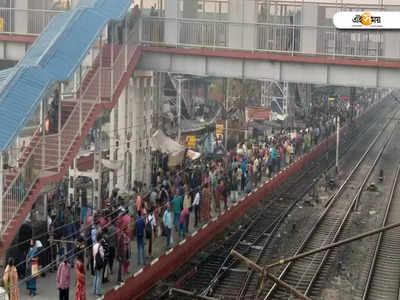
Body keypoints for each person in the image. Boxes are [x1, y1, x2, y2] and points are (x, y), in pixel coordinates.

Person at [92, 233, 104, 297]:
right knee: (99, 277)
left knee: (95, 277)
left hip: (95, 263)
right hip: (99, 264)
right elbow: (102, 255)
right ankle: (98, 292)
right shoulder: (100, 246)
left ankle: (94, 291)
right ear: (100, 239)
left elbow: (93, 254)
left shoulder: (94, 245)